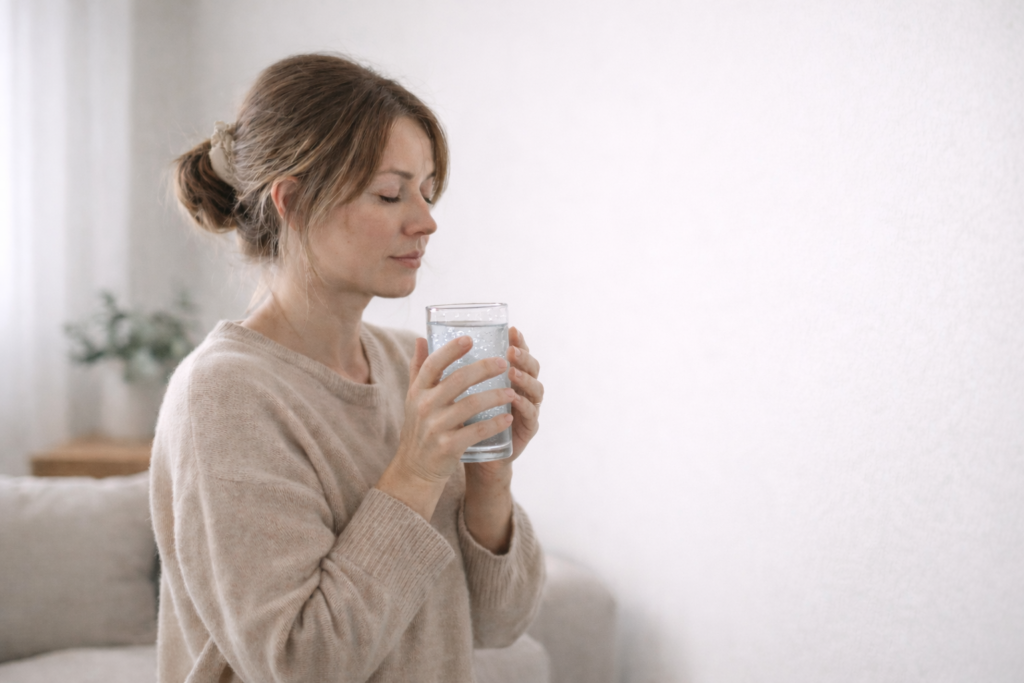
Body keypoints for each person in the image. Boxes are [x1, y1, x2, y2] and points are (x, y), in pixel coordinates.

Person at [150, 53, 546, 683]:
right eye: (390, 193)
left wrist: (488, 479)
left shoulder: (401, 363)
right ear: (293, 201)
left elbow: (500, 625)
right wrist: (415, 469)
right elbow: (302, 663)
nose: (426, 220)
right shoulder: (224, 394)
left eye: (426, 190)